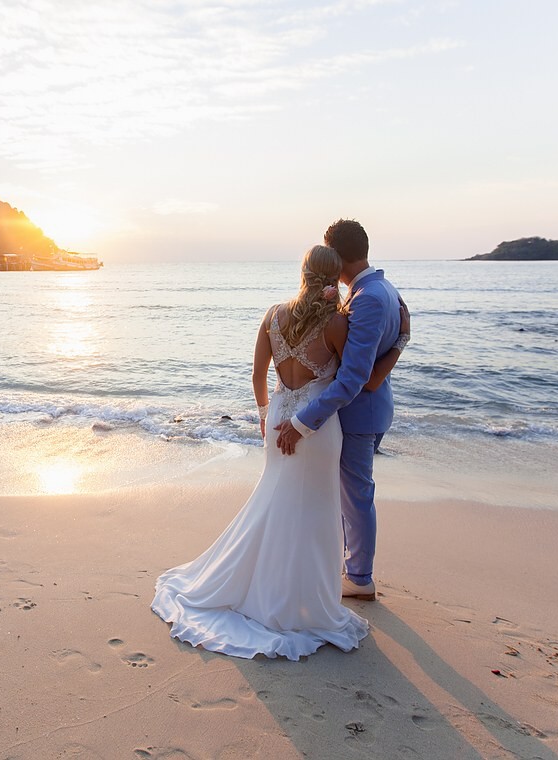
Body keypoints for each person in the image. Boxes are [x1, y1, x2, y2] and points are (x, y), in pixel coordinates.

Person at [151, 243, 409, 660]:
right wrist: (399, 342)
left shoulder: (273, 314)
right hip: (316, 428)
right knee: (316, 510)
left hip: (277, 421)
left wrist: (264, 415)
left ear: (303, 270)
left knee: (277, 502)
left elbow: (257, 374)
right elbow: (355, 381)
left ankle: (266, 588)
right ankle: (303, 597)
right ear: (334, 276)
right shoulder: (336, 324)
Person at [274, 219, 404, 602]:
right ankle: (350, 568)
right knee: (351, 494)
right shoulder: (379, 288)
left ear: (337, 256)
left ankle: (359, 578)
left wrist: (301, 422)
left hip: (359, 414)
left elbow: (353, 379)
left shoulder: (366, 299)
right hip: (371, 410)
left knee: (356, 496)